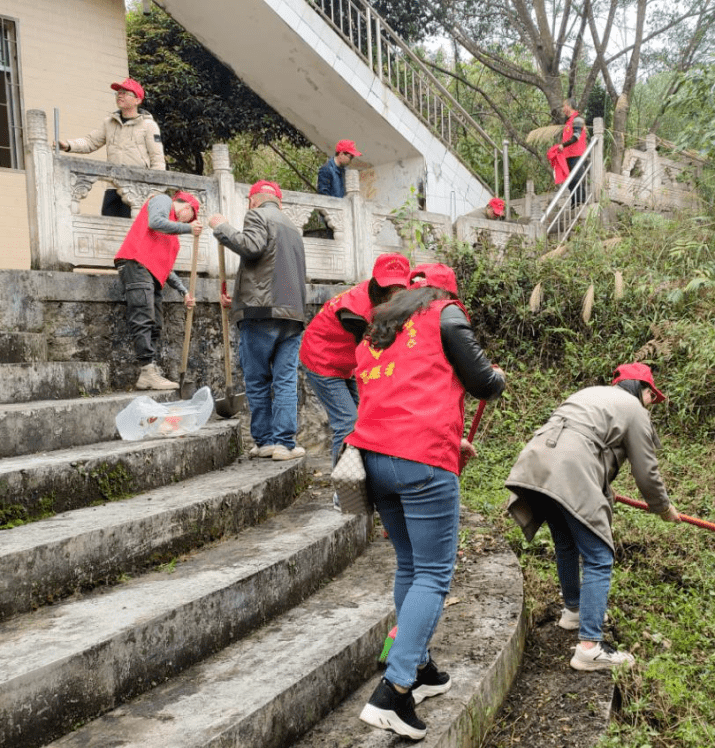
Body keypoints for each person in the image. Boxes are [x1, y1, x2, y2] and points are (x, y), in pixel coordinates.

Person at [350, 264, 505, 740]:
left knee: (410, 567)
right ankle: (394, 691)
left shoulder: (377, 329)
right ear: (445, 292)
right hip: (421, 463)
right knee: (435, 574)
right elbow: (482, 382)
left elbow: (395, 394)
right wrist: (496, 376)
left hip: (375, 460)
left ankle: (418, 667)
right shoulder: (446, 314)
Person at [505, 363, 681, 671]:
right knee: (600, 556)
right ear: (644, 390)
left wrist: (601, 489)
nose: (653, 403)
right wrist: (663, 508)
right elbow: (646, 471)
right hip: (571, 467)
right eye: (653, 396)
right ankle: (590, 647)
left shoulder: (591, 394)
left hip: (538, 461)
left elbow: (589, 445)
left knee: (566, 542)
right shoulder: (635, 409)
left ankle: (573, 610)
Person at [209, 181, 308, 461]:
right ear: (280, 202)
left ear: (253, 201)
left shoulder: (256, 215)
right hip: (292, 314)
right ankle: (285, 444)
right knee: (285, 380)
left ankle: (264, 441)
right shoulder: (292, 227)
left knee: (257, 379)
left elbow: (251, 246)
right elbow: (274, 271)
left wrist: (221, 226)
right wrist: (237, 301)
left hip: (260, 314)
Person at [299, 252, 410, 470]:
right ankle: (344, 491)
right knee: (348, 424)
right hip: (322, 360)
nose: (393, 294)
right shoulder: (355, 313)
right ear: (376, 281)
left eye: (399, 287)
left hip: (345, 363)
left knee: (365, 423)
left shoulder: (393, 301)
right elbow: (371, 358)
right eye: (388, 287)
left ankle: (363, 480)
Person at [114, 190, 201, 390]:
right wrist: (188, 228)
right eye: (191, 217)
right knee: (143, 316)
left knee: (156, 323)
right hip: (136, 263)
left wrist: (184, 291)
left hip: (151, 272)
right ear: (187, 209)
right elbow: (155, 222)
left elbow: (166, 269)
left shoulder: (173, 239)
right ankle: (146, 370)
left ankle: (149, 371)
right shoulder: (163, 201)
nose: (190, 221)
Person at [58, 78, 166, 217]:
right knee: (109, 231)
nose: (120, 95)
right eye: (118, 93)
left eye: (125, 93)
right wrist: (68, 145)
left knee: (132, 232)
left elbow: (157, 159)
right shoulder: (109, 123)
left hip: (138, 189)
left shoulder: (148, 125)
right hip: (113, 187)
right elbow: (90, 142)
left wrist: (154, 192)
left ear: (137, 100)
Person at [558, 98, 587, 205]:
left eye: (564, 106)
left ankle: (580, 202)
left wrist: (563, 145)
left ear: (569, 106)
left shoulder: (577, 119)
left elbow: (576, 136)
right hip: (568, 155)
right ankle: (574, 203)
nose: (563, 109)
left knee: (577, 178)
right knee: (570, 181)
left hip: (577, 154)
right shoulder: (569, 121)